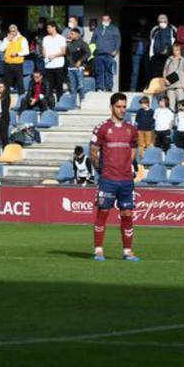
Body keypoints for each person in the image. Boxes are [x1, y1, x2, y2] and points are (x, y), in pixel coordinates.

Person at [90, 93, 140, 262]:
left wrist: (126, 165)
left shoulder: (131, 129)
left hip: (126, 179)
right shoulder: (102, 128)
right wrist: (101, 170)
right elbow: (93, 152)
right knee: (103, 212)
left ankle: (127, 251)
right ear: (111, 107)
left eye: (124, 106)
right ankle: (98, 250)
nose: (122, 110)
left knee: (127, 213)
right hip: (108, 179)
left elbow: (133, 150)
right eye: (119, 106)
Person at [92, 15, 120, 92]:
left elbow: (118, 41)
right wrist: (92, 51)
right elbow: (93, 41)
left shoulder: (114, 29)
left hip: (109, 54)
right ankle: (100, 87)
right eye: (104, 20)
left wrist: (116, 50)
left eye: (107, 19)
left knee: (109, 71)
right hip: (98, 54)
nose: (105, 21)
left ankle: (109, 87)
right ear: (102, 20)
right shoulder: (97, 29)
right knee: (99, 71)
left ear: (110, 20)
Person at [66, 26, 90, 99]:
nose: (70, 35)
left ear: (77, 34)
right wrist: (72, 64)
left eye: (72, 34)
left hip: (80, 68)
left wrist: (80, 61)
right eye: (70, 34)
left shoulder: (83, 43)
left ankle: (82, 102)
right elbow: (68, 55)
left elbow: (88, 53)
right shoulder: (69, 45)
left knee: (81, 86)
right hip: (71, 68)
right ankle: (73, 103)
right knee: (72, 87)